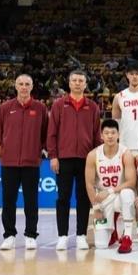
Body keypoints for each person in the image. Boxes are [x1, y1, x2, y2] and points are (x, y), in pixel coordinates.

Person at [47, 70, 102, 251]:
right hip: (64, 158)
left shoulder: (92, 106)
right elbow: (52, 133)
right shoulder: (58, 105)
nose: (77, 83)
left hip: (87, 160)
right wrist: (53, 156)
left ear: (85, 84)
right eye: (74, 80)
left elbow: (96, 135)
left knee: (83, 198)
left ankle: (81, 236)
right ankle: (62, 236)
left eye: (81, 81)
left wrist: (98, 159)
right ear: (69, 83)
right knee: (63, 198)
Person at [0, 74, 48, 250]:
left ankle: (31, 235)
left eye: (27, 84)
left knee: (31, 201)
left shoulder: (40, 108)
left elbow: (45, 133)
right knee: (8, 201)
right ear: (15, 86)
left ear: (32, 86)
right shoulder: (5, 107)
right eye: (21, 84)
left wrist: (36, 150)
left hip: (31, 163)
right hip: (9, 163)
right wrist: (8, 149)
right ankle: (9, 235)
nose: (24, 87)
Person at [84, 119, 136, 252]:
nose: (110, 136)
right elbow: (89, 184)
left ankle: (127, 237)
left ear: (118, 134)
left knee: (127, 194)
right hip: (103, 199)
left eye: (113, 133)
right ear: (101, 135)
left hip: (119, 195)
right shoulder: (93, 155)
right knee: (101, 245)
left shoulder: (125, 153)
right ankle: (113, 230)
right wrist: (96, 208)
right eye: (106, 133)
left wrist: (110, 191)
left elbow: (131, 181)